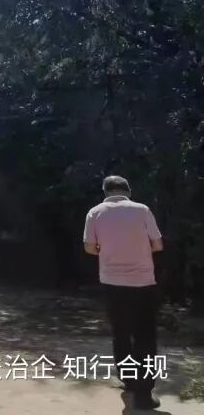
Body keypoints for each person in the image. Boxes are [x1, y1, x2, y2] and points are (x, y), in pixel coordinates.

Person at [83, 175, 164, 411]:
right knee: (145, 336)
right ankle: (144, 395)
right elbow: (158, 244)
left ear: (105, 192)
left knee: (121, 334)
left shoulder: (95, 212)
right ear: (128, 191)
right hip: (143, 282)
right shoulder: (142, 210)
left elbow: (89, 247)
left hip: (112, 282)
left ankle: (129, 382)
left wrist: (109, 251)